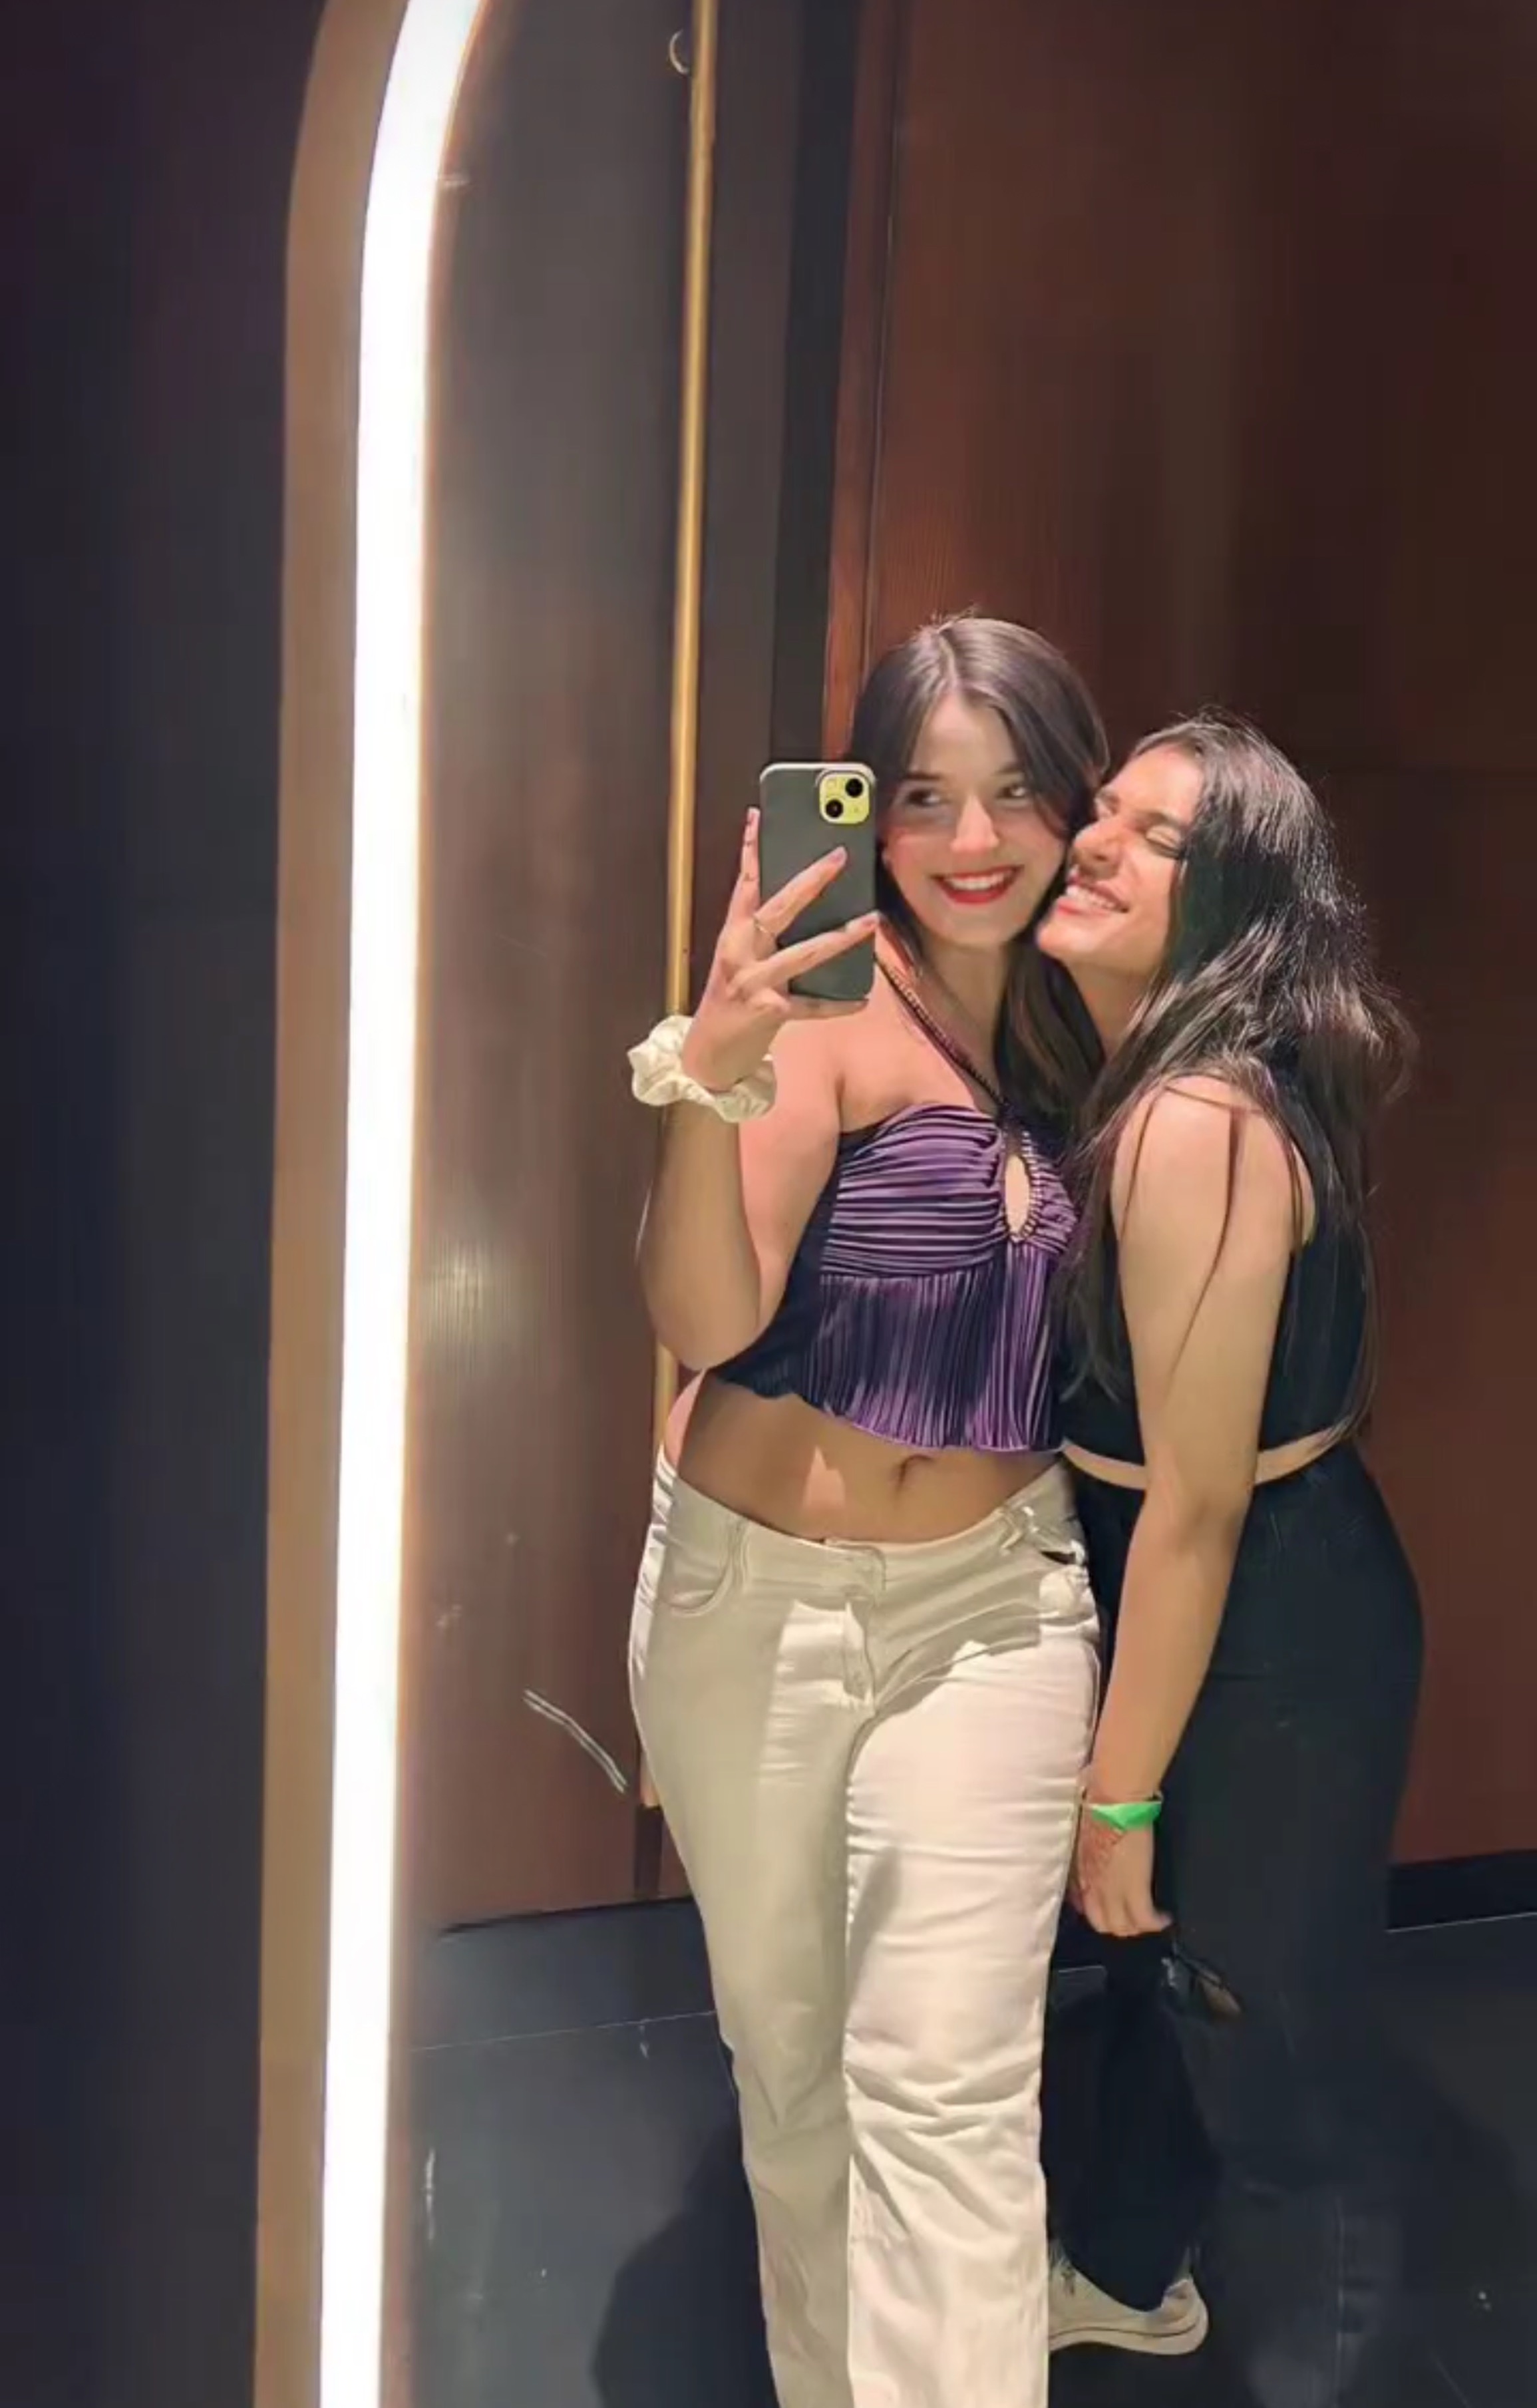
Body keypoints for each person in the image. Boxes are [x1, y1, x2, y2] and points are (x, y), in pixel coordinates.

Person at [626, 617, 1106, 2408]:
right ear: (867, 812)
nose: (971, 839)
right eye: (922, 796)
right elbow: (703, 1320)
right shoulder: (826, 1014)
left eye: (1014, 791)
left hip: (997, 1606)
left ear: (1070, 802)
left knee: (951, 2098)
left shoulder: (1088, 1019)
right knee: (798, 2083)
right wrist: (714, 1068)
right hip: (756, 1604)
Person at [1035, 714, 1422, 2404]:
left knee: (1262, 2039)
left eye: (1158, 838)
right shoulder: (1171, 1078)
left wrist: (1117, 1796)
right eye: (1103, 810)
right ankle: (1131, 2275)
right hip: (1237, 1582)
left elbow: (1193, 1506)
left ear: (1236, 904)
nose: (1092, 842)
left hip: (1265, 1615)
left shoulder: (1195, 1116)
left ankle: (1316, 2363)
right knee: (1175, 1985)